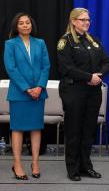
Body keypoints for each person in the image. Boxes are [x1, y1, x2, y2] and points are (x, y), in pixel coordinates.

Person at [57, 8, 109, 181]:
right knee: (74, 131)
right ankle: (72, 169)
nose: (87, 22)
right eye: (82, 20)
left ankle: (86, 166)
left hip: (93, 92)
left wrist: (98, 77)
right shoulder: (65, 42)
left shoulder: (93, 40)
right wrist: (89, 77)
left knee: (88, 130)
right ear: (73, 21)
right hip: (74, 91)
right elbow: (66, 68)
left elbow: (107, 62)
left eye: (88, 20)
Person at [4, 13, 50, 180]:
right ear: (16, 27)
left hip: (38, 93)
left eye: (27, 22)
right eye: (21, 23)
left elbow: (46, 66)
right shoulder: (10, 44)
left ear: (32, 25)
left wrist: (39, 86)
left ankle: (35, 163)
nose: (25, 25)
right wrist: (26, 88)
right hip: (19, 93)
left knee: (36, 128)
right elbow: (11, 68)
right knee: (17, 128)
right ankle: (17, 164)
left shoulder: (40, 43)